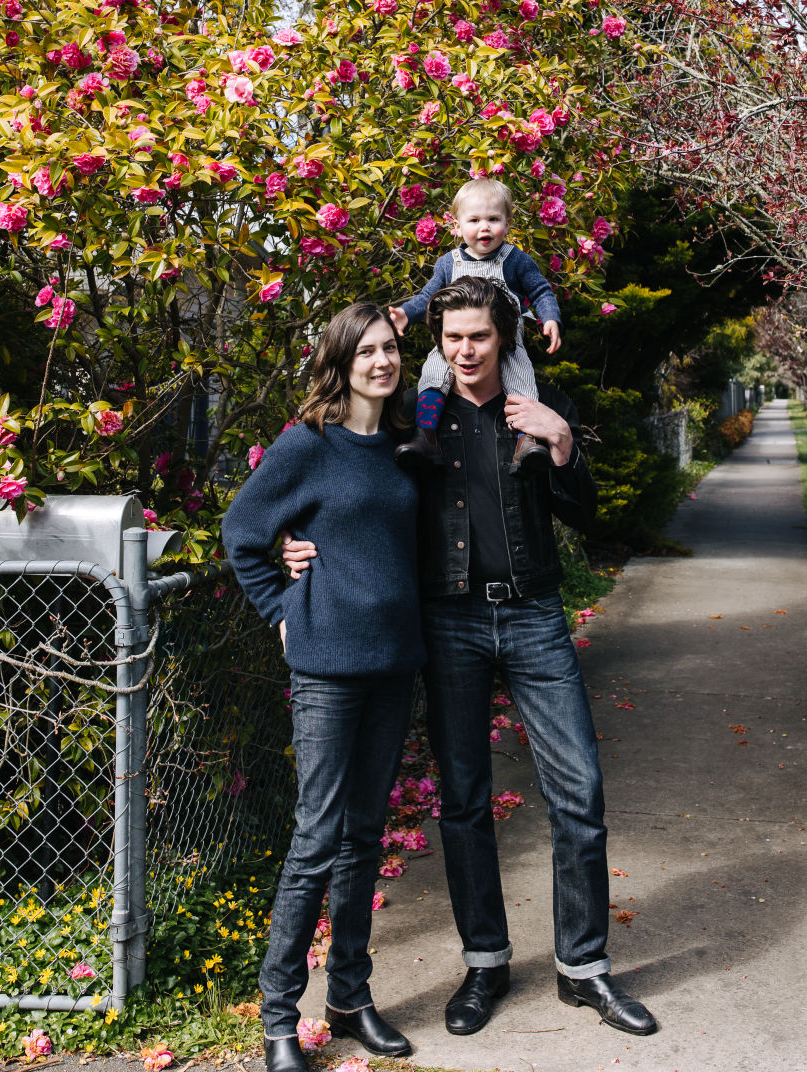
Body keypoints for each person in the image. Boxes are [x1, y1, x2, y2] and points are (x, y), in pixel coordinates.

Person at [283, 276, 657, 1039]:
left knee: (579, 794)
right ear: (439, 342)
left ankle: (584, 970)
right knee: (463, 804)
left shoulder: (536, 408)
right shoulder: (411, 421)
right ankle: (484, 961)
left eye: (478, 337)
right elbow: (348, 491)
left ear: (503, 339)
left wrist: (561, 441)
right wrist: (293, 549)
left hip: (533, 617)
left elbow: (584, 514)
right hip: (446, 621)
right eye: (451, 338)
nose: (464, 350)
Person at [221, 303, 424, 1072]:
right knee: (316, 839)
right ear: (340, 362)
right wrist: (281, 606)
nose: (382, 362)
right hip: (327, 670)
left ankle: (349, 997)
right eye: (366, 351)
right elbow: (242, 532)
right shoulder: (306, 445)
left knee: (366, 837)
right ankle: (278, 1018)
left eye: (390, 349)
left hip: (394, 664)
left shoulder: (407, 445)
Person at [390, 177, 562, 474]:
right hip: (454, 344)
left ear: (507, 225)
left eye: (493, 219)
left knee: (520, 381)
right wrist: (406, 314)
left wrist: (550, 318)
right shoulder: (449, 263)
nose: (484, 227)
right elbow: (427, 297)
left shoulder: (515, 260)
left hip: (508, 342)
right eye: (474, 220)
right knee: (433, 374)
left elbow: (540, 291)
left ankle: (526, 440)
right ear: (457, 226)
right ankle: (426, 435)